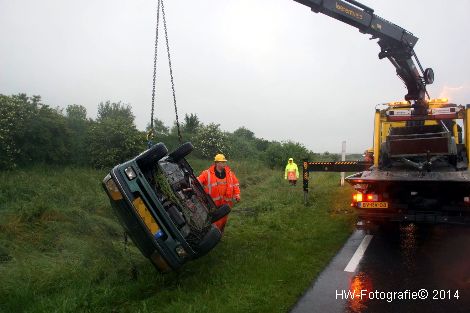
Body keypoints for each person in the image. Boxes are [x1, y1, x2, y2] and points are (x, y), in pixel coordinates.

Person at [197, 153, 240, 232]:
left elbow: (235, 185)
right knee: (214, 224)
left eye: (225, 162)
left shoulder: (230, 173)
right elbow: (197, 182)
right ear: (216, 163)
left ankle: (220, 234)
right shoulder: (207, 173)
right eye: (222, 162)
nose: (224, 164)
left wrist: (237, 195)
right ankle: (214, 236)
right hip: (213, 206)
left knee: (223, 222)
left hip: (226, 205)